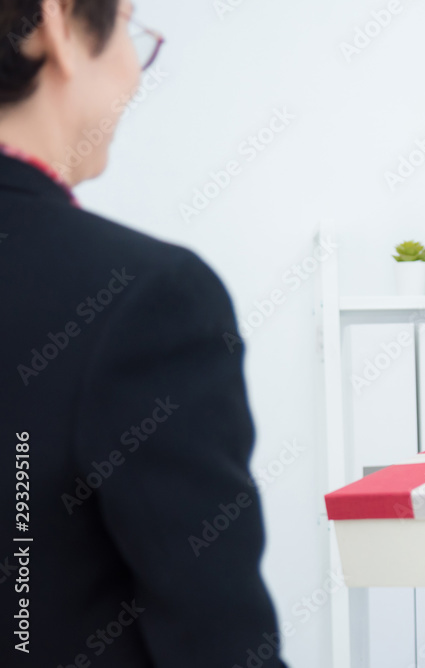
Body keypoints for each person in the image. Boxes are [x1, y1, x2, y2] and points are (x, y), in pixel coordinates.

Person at [0, 1, 286, 665]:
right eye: (131, 29)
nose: (134, 69)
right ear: (59, 25)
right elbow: (220, 645)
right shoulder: (147, 299)